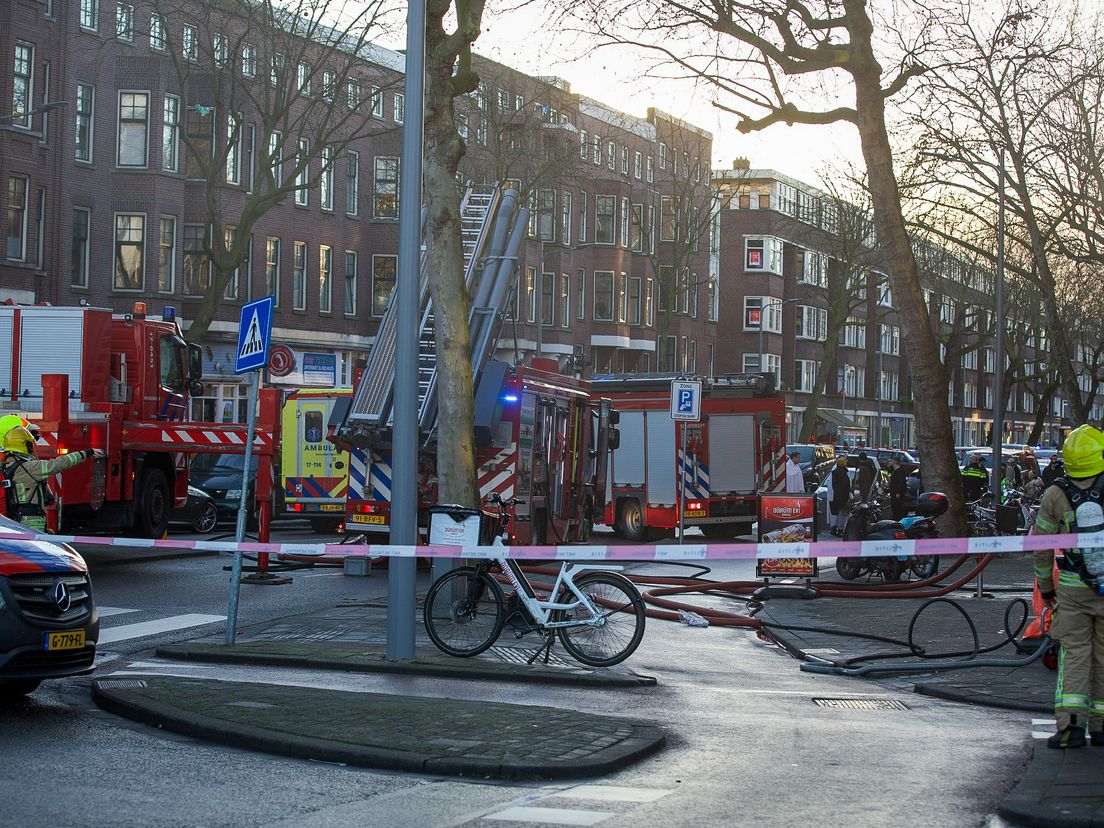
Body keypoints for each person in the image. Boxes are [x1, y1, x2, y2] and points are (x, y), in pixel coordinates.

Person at [1031, 424, 1104, 749]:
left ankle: (1071, 728)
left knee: (1074, 655)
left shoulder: (1055, 493)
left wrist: (1046, 586)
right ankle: (1101, 728)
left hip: (1073, 590)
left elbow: (1043, 546)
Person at [1, 426, 102, 532]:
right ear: (27, 445)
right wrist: (86, 453)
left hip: (12, 519)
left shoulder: (5, 467)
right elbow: (59, 464)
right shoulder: (30, 467)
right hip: (32, 520)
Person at [827, 456, 851, 536]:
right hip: (842, 496)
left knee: (839, 513)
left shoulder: (835, 472)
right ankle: (840, 529)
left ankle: (834, 528)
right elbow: (846, 486)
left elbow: (834, 485)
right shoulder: (843, 474)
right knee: (842, 514)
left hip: (837, 495)